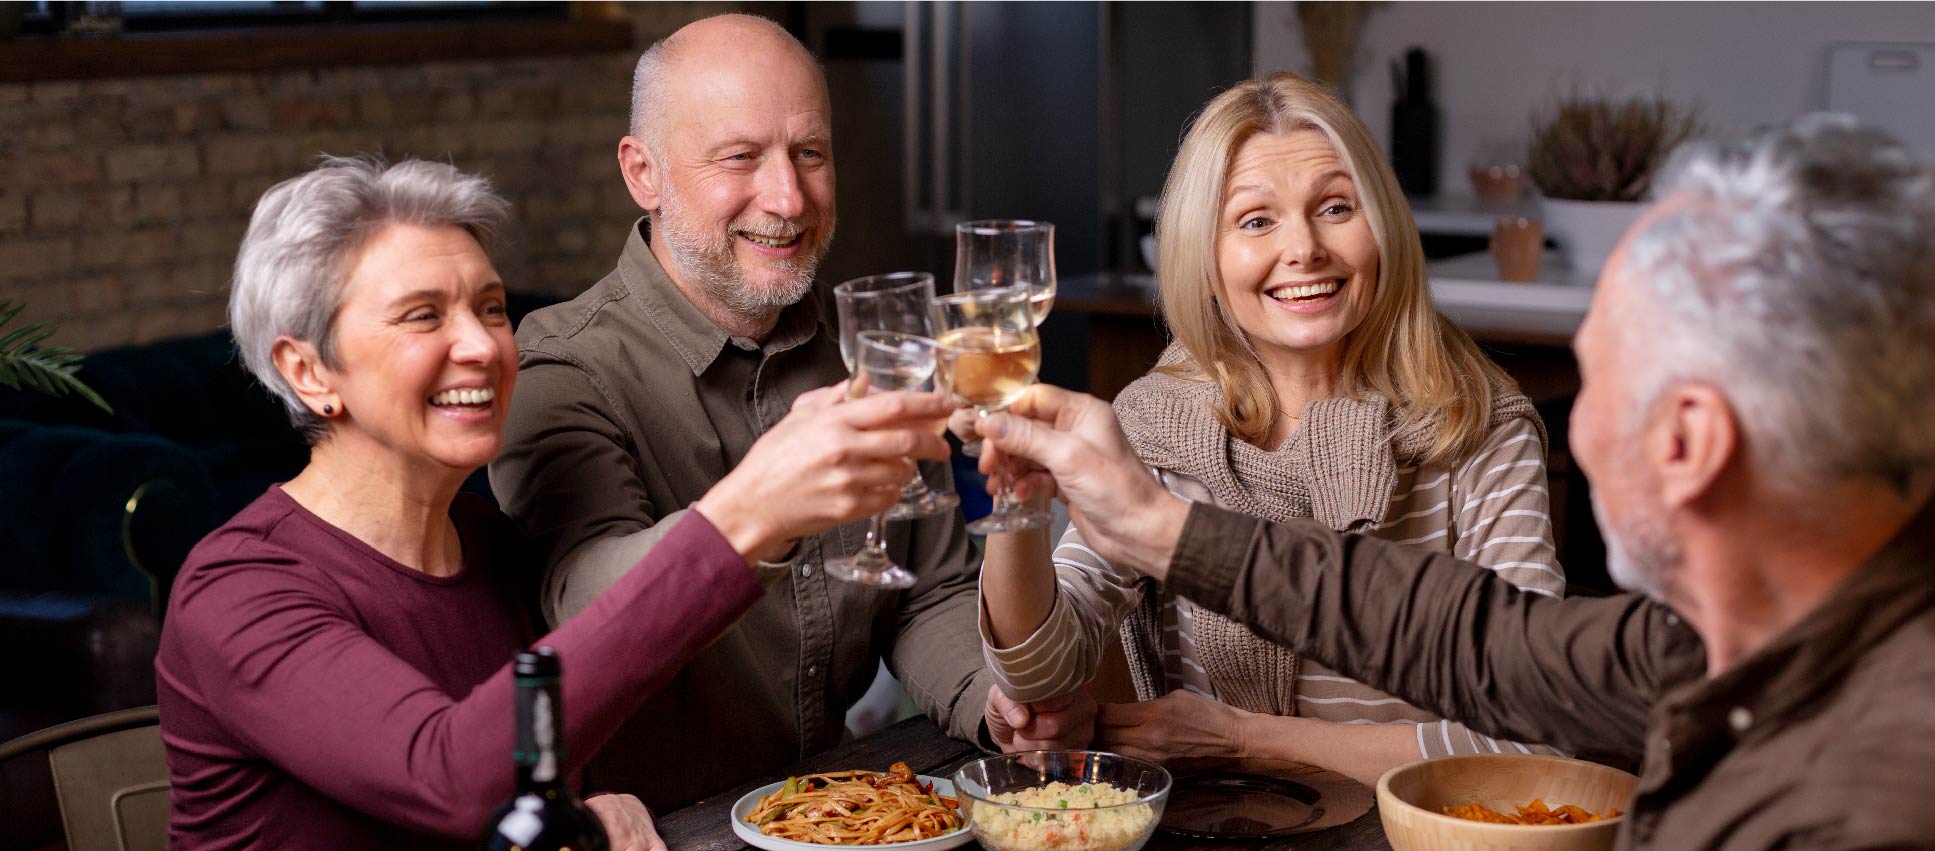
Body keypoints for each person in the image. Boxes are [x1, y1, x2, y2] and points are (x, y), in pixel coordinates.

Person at [975, 115, 1935, 848]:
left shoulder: (1890, 796)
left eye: (1598, 380)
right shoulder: (1706, 645)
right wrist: (1152, 524)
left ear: (1688, 441)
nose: (1574, 430)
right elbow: (1466, 633)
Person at [155, 156, 954, 851]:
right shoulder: (239, 589)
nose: (481, 343)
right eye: (423, 315)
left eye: (491, 307)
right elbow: (450, 773)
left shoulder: (488, 541)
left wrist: (575, 803)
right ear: (308, 372)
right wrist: (747, 512)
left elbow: (539, 759)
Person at [487, 14, 1087, 810]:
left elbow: (927, 590)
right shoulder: (561, 367)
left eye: (810, 154)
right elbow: (579, 606)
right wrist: (764, 505)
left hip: (831, 809)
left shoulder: (863, 352)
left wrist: (994, 700)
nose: (788, 197)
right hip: (658, 828)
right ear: (644, 172)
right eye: (740, 157)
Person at [976, 72, 1563, 783]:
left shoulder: (1478, 426)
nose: (1306, 248)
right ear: (1207, 255)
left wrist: (1242, 739)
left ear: (1383, 224)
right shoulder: (1158, 421)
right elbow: (1043, 667)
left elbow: (1535, 739)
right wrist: (1017, 507)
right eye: (1257, 220)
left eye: (1336, 207)